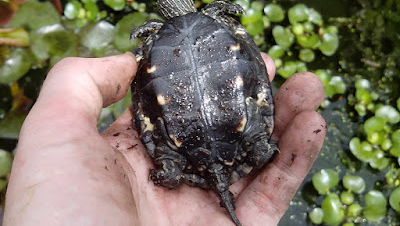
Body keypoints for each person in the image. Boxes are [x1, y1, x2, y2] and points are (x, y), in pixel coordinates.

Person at [3, 52, 326, 226]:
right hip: (234, 130)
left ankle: (172, 170)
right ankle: (255, 149)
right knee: (264, 146)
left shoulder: (156, 40)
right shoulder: (216, 20)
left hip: (186, 137)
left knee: (170, 162)